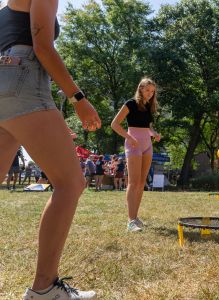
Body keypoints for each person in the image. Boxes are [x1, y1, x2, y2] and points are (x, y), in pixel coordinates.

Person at [0, 0, 101, 297]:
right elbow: (42, 47)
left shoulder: (5, 10)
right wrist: (78, 99)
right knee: (70, 183)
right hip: (23, 80)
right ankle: (44, 289)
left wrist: (48, 123)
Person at [111, 77, 161, 232]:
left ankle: (136, 217)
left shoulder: (149, 106)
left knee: (141, 183)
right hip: (133, 144)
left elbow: (147, 127)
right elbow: (114, 124)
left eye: (152, 91)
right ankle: (130, 221)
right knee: (133, 183)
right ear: (140, 89)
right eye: (147, 90)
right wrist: (129, 138)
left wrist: (154, 133)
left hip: (147, 145)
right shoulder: (130, 103)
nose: (150, 94)